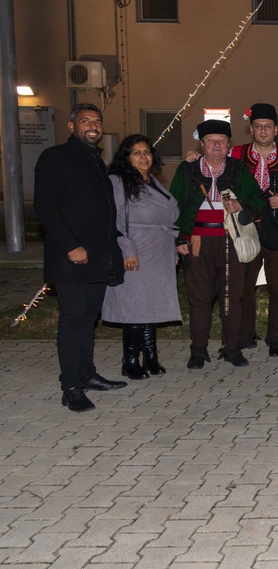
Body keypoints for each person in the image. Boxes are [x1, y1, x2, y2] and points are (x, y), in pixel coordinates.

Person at [34, 103, 127, 412]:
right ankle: (70, 386)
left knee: (89, 318)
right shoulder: (55, 157)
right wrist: (72, 245)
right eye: (85, 121)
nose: (93, 126)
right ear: (72, 126)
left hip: (98, 257)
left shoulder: (96, 162)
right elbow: (46, 207)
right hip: (69, 257)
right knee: (73, 319)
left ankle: (86, 374)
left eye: (97, 121)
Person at [170, 120, 264, 369]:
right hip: (197, 242)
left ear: (229, 145)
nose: (216, 145)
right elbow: (174, 206)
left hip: (230, 241)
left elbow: (258, 199)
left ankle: (232, 348)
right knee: (199, 298)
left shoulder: (238, 170)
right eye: (211, 141)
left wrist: (240, 204)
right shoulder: (187, 170)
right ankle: (198, 351)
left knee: (231, 296)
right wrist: (180, 239)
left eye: (221, 141)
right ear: (202, 144)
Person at [102, 134, 181, 380]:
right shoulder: (117, 181)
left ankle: (151, 356)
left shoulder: (152, 182)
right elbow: (114, 218)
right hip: (136, 250)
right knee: (135, 306)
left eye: (146, 152)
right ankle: (130, 360)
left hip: (159, 251)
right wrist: (128, 249)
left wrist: (173, 249)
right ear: (126, 157)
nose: (143, 157)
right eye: (136, 153)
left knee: (151, 305)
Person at [226, 103, 278, 357]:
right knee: (243, 286)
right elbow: (215, 173)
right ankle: (245, 335)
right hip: (245, 229)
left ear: (276, 130)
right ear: (251, 129)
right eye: (258, 126)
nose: (263, 131)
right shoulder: (235, 154)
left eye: (267, 126)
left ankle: (275, 337)